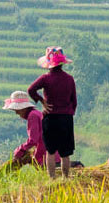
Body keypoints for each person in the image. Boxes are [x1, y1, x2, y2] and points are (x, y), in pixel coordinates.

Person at [28, 47, 76, 179]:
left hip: (50, 118)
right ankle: (66, 177)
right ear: (62, 63)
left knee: (50, 151)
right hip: (66, 118)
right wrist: (69, 113)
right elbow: (74, 101)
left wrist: (42, 101)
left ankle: (52, 178)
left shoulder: (45, 78)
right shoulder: (69, 79)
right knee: (65, 153)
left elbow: (31, 89)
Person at [1, 90, 44, 167]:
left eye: (17, 110)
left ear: (23, 108)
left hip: (46, 153)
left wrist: (21, 150)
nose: (16, 113)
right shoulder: (36, 113)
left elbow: (33, 140)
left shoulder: (32, 116)